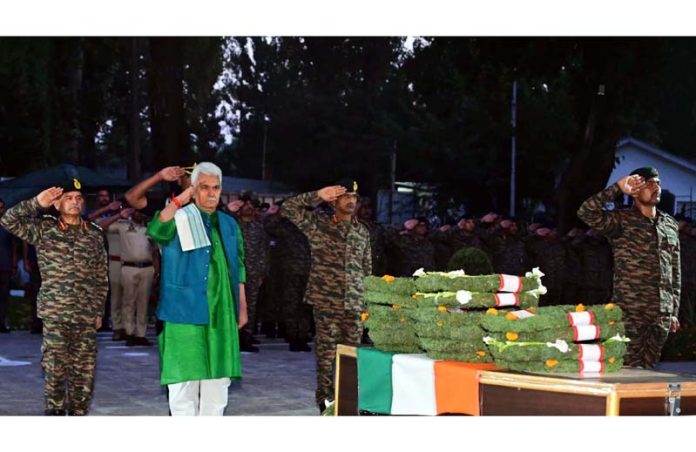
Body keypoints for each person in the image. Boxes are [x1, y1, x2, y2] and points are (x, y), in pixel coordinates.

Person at [146, 162, 248, 416]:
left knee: (218, 385)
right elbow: (157, 229)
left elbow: (240, 267)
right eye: (204, 187)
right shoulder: (180, 216)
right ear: (193, 189)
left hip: (221, 311)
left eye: (216, 187)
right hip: (183, 310)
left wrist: (241, 307)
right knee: (183, 383)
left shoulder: (229, 224)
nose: (211, 193)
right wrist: (181, 200)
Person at [0, 179, 108, 415]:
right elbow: (8, 220)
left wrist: (99, 310)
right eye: (68, 197)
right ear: (57, 204)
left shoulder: (94, 235)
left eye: (79, 198)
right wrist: (36, 203)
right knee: (55, 368)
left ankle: (79, 413)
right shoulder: (44, 229)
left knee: (84, 370)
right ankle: (55, 413)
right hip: (55, 313)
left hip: (85, 315)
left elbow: (101, 276)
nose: (74, 202)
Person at [282, 179, 371, 413]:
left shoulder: (362, 230)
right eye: (345, 197)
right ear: (334, 201)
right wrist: (318, 195)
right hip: (326, 302)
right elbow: (288, 208)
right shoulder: (318, 224)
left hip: (354, 303)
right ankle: (325, 398)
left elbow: (366, 268)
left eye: (354, 197)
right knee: (327, 354)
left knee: (352, 354)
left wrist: (367, 301)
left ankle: (349, 398)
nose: (351, 201)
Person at [578, 167, 681, 369]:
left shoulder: (669, 224)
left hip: (661, 313)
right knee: (627, 368)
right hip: (631, 310)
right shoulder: (621, 221)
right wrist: (616, 188)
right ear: (634, 191)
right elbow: (586, 211)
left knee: (650, 370)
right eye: (649, 184)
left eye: (658, 183)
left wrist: (673, 310)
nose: (656, 188)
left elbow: (675, 270)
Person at [101, 209, 158, 346]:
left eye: (141, 211)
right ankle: (129, 332)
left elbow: (156, 251)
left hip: (147, 267)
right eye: (135, 211)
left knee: (143, 303)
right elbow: (101, 226)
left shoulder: (150, 228)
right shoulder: (123, 226)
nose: (138, 214)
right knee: (128, 301)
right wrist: (119, 215)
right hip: (128, 267)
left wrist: (157, 271)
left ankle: (141, 334)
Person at [226, 191, 270, 352]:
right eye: (246, 204)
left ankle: (246, 337)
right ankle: (233, 338)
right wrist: (228, 210)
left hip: (253, 274)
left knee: (250, 307)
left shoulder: (259, 226)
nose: (249, 208)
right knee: (232, 305)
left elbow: (264, 250)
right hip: (234, 272)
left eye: (252, 205)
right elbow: (217, 221)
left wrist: (263, 272)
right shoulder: (232, 223)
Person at [0, 198, 17, 333]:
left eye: (1, 208)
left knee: (4, 296)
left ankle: (1, 323)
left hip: (5, 266)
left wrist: (14, 264)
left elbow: (13, 246)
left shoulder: (7, 226)